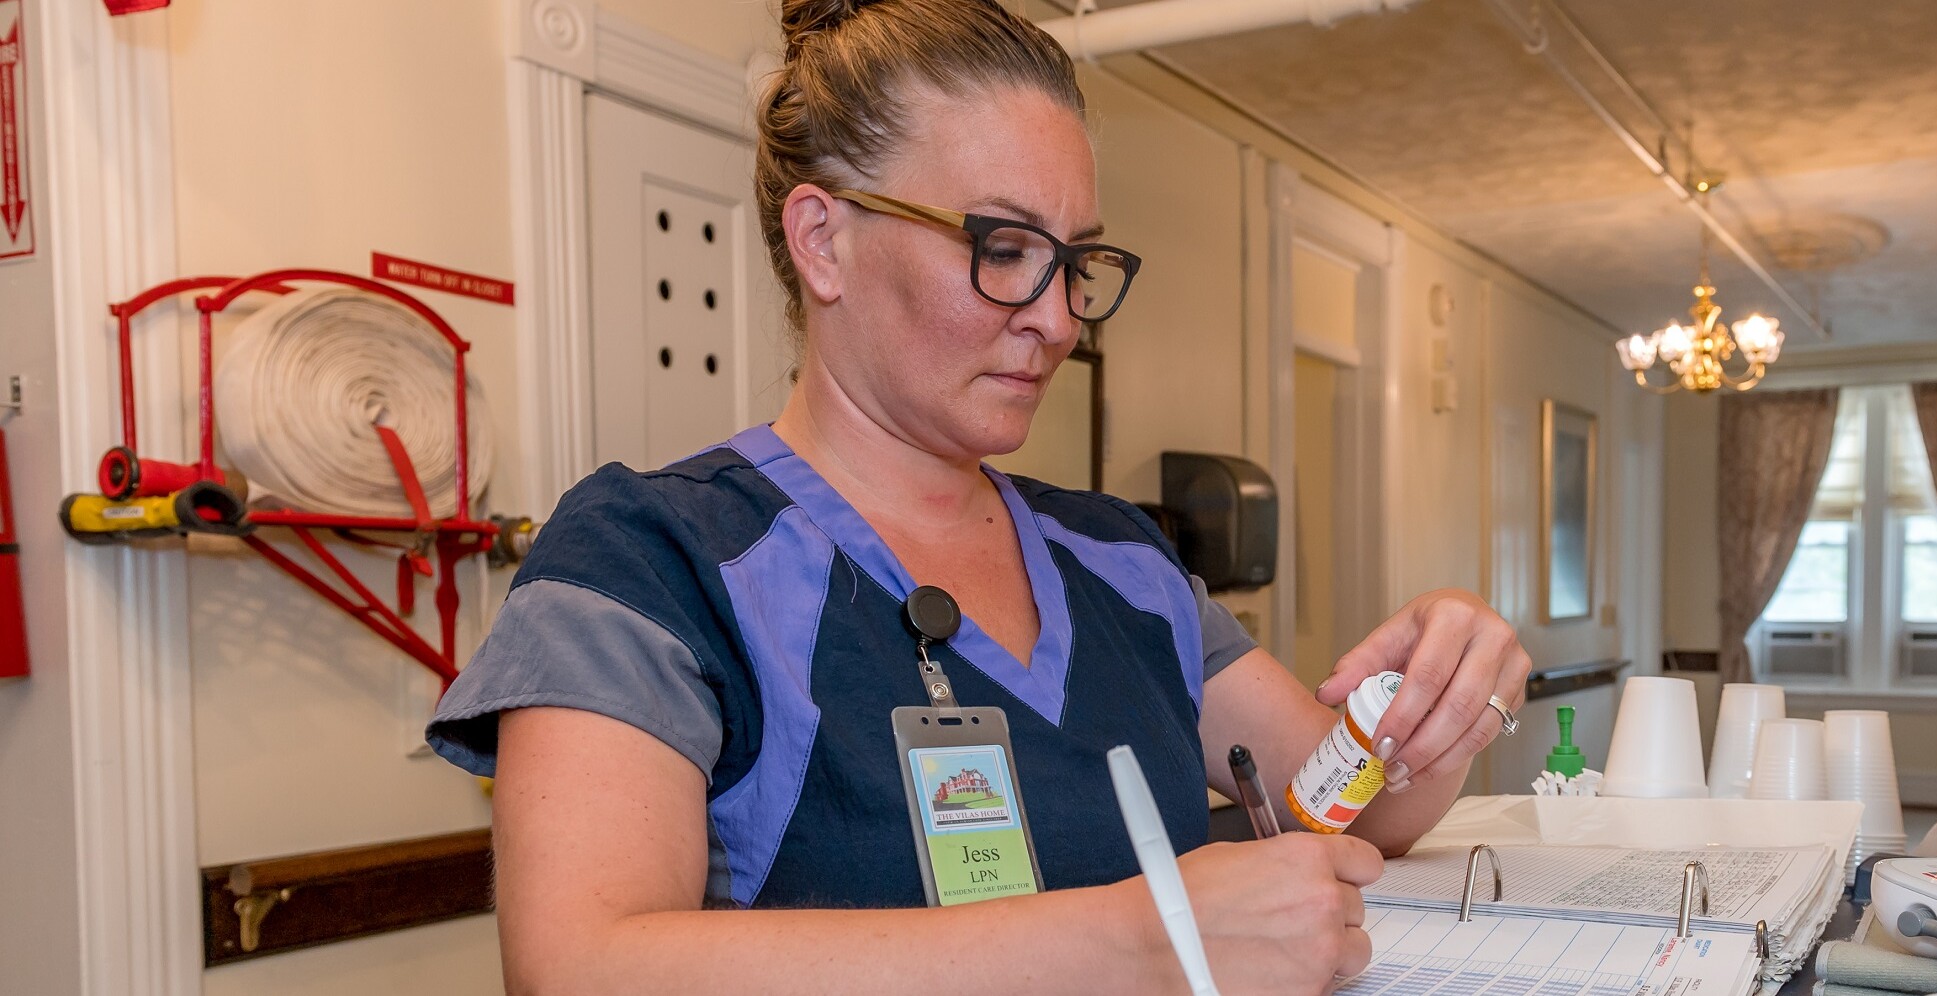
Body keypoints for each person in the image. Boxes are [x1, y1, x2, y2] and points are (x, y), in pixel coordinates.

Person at [426, 1, 1533, 992]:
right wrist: (1142, 944)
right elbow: (578, 965)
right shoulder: (653, 556)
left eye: (1076, 262)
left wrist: (1434, 693)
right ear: (823, 241)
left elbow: (1353, 809)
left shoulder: (1119, 557)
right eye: (1003, 248)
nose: (1057, 319)